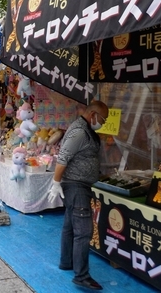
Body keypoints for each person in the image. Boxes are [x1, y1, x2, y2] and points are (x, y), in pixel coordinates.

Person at [47, 100, 109, 291]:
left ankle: (67, 261)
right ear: (93, 115)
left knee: (70, 226)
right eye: (103, 119)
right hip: (76, 186)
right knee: (83, 231)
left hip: (79, 185)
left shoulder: (86, 130)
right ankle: (82, 276)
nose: (104, 123)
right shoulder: (80, 132)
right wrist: (56, 183)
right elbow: (63, 157)